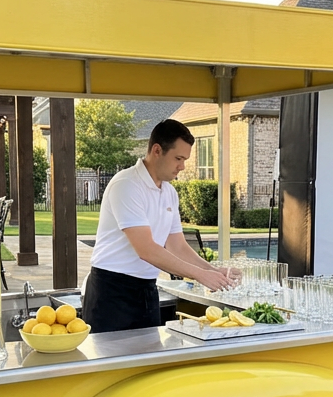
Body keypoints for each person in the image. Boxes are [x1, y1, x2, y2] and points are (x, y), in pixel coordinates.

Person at [84, 119, 235, 333]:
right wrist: (199, 275)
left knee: (150, 362)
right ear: (157, 150)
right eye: (178, 158)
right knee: (112, 365)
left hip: (147, 289)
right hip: (111, 291)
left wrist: (214, 271)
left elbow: (178, 246)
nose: (182, 166)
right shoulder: (126, 185)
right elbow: (146, 250)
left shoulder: (169, 193)